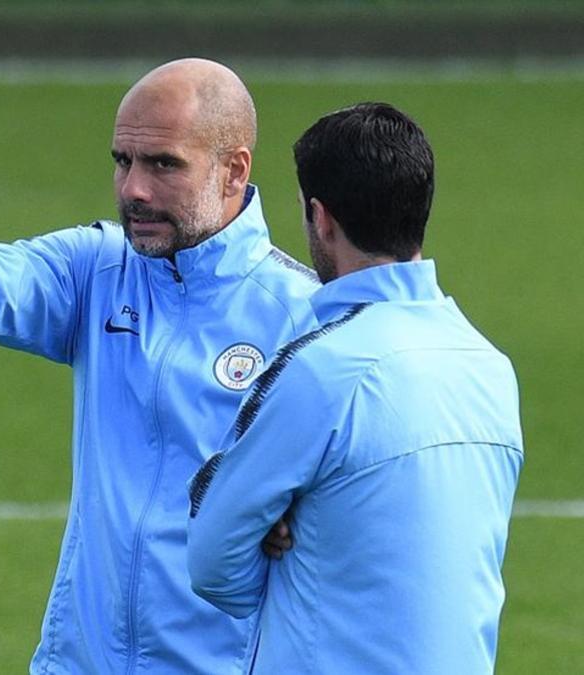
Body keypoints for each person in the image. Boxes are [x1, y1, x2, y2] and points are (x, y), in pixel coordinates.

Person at [0, 59, 319, 673]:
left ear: (233, 170)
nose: (134, 188)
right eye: (123, 161)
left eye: (164, 164)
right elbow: (7, 275)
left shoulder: (304, 319)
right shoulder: (100, 268)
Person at [187, 102, 523, 673]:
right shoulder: (490, 367)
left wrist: (273, 533)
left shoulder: (322, 367)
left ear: (321, 218)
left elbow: (212, 560)